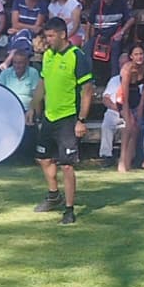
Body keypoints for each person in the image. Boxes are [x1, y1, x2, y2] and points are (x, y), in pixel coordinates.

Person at [34, 19, 90, 221]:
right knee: (43, 158)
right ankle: (53, 195)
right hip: (50, 116)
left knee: (67, 165)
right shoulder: (48, 55)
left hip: (68, 118)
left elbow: (87, 90)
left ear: (62, 35)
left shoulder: (77, 56)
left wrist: (81, 120)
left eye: (51, 36)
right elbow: (43, 82)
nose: (47, 40)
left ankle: (69, 209)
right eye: (46, 36)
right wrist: (34, 106)